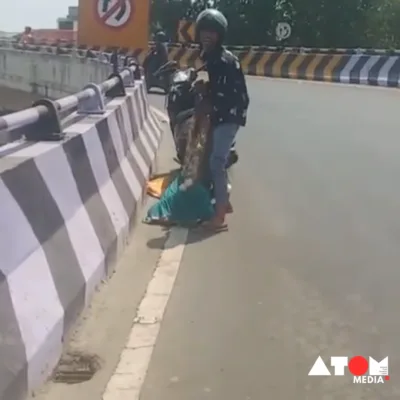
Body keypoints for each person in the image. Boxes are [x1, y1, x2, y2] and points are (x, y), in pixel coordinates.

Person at [195, 8, 250, 230]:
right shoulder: (213, 57)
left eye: (212, 32)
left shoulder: (221, 60)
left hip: (230, 114)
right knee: (216, 158)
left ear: (220, 35)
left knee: (216, 162)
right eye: (204, 32)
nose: (207, 36)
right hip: (225, 113)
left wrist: (205, 94)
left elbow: (225, 92)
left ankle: (218, 218)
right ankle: (223, 202)